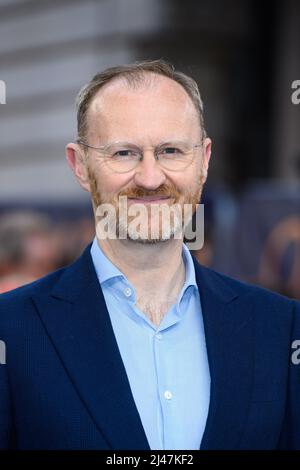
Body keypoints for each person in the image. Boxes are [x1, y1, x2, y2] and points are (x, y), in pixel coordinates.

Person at [0, 60, 299, 450]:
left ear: (204, 160)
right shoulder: (12, 330)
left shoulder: (280, 327)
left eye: (171, 150)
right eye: (124, 153)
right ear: (80, 165)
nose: (150, 178)